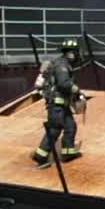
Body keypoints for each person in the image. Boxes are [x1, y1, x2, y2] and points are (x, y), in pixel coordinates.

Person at [33, 39, 86, 167]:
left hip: (63, 105)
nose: (77, 54)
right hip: (56, 105)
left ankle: (68, 153)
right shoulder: (61, 65)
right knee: (54, 130)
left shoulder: (65, 64)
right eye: (75, 52)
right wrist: (77, 90)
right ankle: (40, 157)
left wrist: (75, 97)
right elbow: (64, 84)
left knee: (70, 127)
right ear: (70, 53)